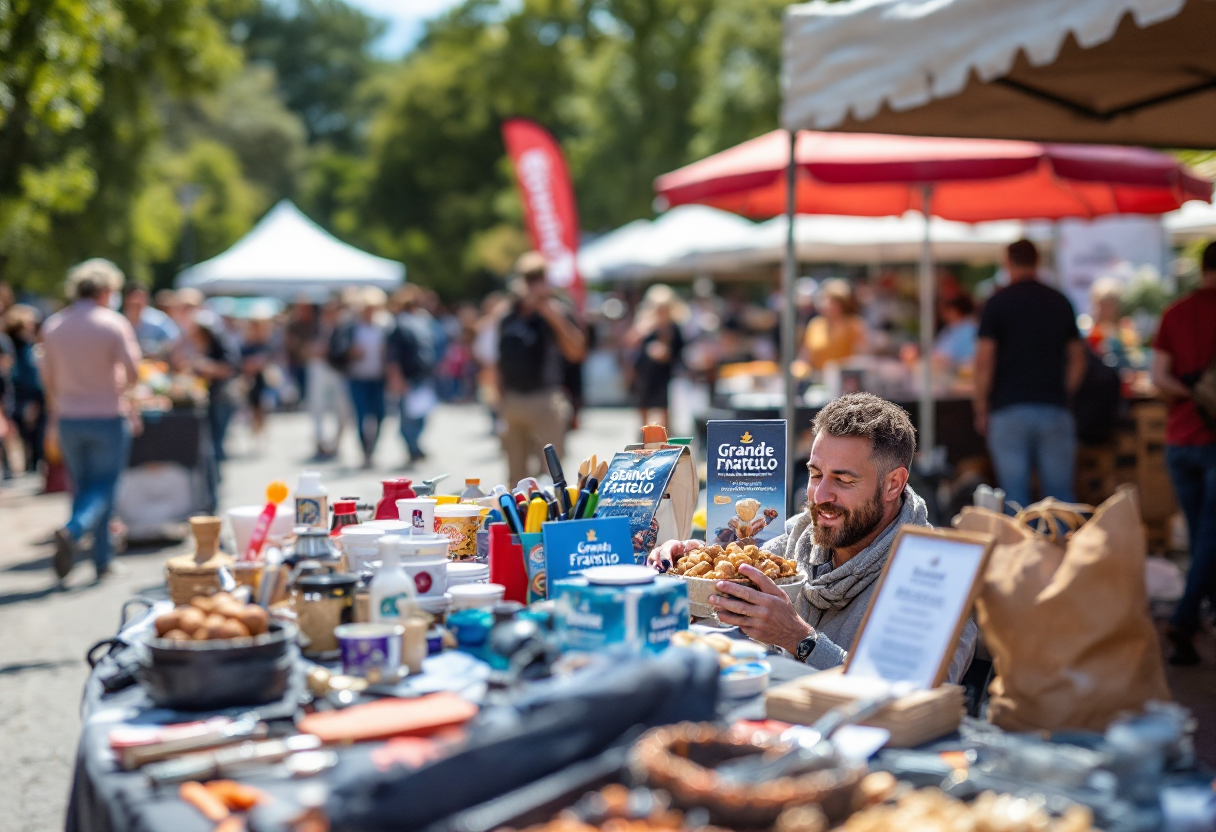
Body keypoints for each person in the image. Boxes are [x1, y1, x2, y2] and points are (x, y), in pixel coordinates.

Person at [649, 392, 976, 681]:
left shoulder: (933, 574)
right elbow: (729, 606)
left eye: (843, 480)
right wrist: (691, 576)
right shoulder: (798, 537)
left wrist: (800, 639)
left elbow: (913, 696)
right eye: (816, 474)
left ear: (893, 484)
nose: (820, 495)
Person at [41, 259, 142, 581]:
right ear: (105, 290)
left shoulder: (54, 325)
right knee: (104, 486)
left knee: (81, 487)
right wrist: (122, 392)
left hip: (69, 417)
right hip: (107, 415)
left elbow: (47, 378)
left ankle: (84, 553)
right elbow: (134, 371)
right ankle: (85, 542)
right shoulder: (112, 323)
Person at [974, 240, 1087, 509]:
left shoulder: (997, 302)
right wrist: (1064, 391)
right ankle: (1062, 550)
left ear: (1008, 263)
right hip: (1053, 406)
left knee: (1015, 498)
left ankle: (1021, 552)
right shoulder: (1059, 301)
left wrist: (980, 405)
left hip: (1008, 408)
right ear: (1037, 262)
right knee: (1060, 498)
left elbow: (984, 361)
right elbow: (1079, 359)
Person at [1150, 241, 1216, 666]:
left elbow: (1158, 378)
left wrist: (1189, 391)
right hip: (1212, 444)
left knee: (1203, 540)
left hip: (1179, 442)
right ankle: (1185, 617)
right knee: (1209, 541)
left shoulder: (1175, 312)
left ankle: (1192, 625)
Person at [495, 252, 587, 485]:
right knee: (516, 477)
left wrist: (549, 312)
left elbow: (576, 352)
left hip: (547, 399)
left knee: (551, 475)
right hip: (513, 399)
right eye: (528, 278)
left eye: (537, 278)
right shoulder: (508, 314)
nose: (532, 284)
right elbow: (496, 359)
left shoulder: (556, 310)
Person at [332, 287, 390, 468]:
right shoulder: (351, 327)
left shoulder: (384, 326)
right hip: (358, 377)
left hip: (379, 378)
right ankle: (365, 451)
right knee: (361, 415)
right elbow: (337, 350)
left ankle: (372, 448)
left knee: (380, 415)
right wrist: (351, 353)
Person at [387, 285, 437, 467]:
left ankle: (416, 446)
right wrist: (396, 378)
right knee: (408, 418)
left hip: (422, 376)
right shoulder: (400, 324)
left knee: (421, 414)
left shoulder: (422, 322)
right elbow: (393, 356)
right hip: (409, 377)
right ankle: (412, 448)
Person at [626, 284, 687, 429]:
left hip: (665, 375)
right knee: (644, 408)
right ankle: (644, 436)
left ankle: (664, 438)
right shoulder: (646, 324)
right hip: (645, 373)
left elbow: (676, 352)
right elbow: (630, 343)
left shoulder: (673, 327)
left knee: (665, 410)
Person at [308, 299, 351, 460]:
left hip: (337, 371)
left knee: (342, 409)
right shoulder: (316, 329)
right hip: (320, 370)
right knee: (317, 406)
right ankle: (321, 442)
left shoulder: (344, 329)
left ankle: (336, 443)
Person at [4, 305, 45, 473]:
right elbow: (26, 372)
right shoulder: (20, 345)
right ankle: (32, 462)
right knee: (29, 429)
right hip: (26, 391)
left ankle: (31, 462)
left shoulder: (20, 342)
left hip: (23, 391)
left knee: (26, 429)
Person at [801, 278, 868, 372]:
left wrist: (836, 367)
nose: (827, 305)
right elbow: (806, 356)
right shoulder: (815, 325)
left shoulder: (853, 324)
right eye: (825, 300)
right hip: (818, 378)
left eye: (833, 301)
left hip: (844, 379)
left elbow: (861, 357)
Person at [121, 283, 180, 358]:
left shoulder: (159, 320)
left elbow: (175, 339)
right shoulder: (118, 320)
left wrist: (158, 349)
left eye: (141, 298)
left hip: (154, 365)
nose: (137, 302)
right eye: (134, 298)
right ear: (126, 300)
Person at [284, 298, 317, 406]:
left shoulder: (314, 324)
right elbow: (289, 343)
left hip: (311, 363)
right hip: (296, 363)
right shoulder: (293, 325)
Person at [932, 295, 978, 371]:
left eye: (947, 311)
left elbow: (970, 357)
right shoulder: (947, 329)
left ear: (955, 311)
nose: (943, 315)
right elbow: (937, 350)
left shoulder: (970, 329)